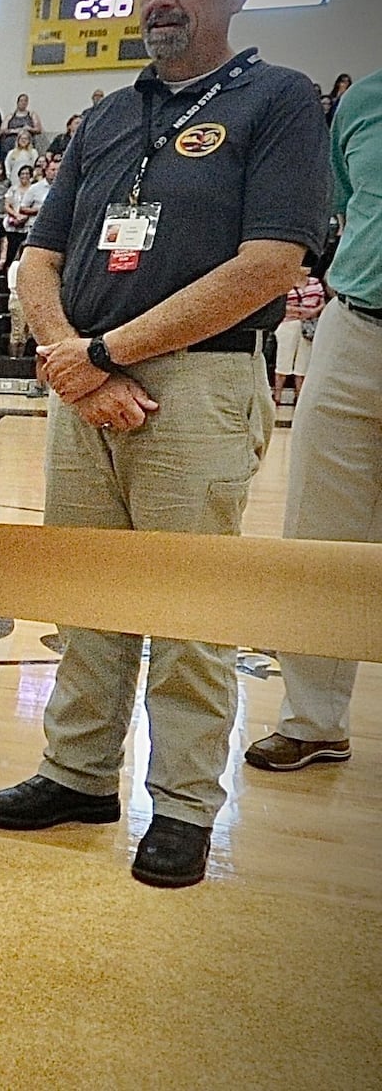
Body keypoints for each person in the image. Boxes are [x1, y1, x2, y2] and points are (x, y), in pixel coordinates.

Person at [0, 0, 331, 889]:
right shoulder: (106, 114)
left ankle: (180, 805)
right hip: (84, 381)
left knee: (187, 609)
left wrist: (101, 351)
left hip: (199, 383)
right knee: (84, 598)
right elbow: (37, 258)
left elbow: (268, 264)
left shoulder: (278, 100)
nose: (161, 0)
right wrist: (72, 358)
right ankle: (78, 774)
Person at [245, 67, 382, 773]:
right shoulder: (363, 101)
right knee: (318, 528)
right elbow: (355, 208)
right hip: (356, 324)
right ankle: (313, 720)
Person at [271, 270, 324, 407]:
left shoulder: (315, 282)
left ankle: (299, 395)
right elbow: (278, 304)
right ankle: (277, 395)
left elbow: (322, 301)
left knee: (303, 362)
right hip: (288, 324)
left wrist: (313, 312)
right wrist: (299, 312)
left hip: (308, 326)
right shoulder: (285, 282)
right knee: (283, 360)